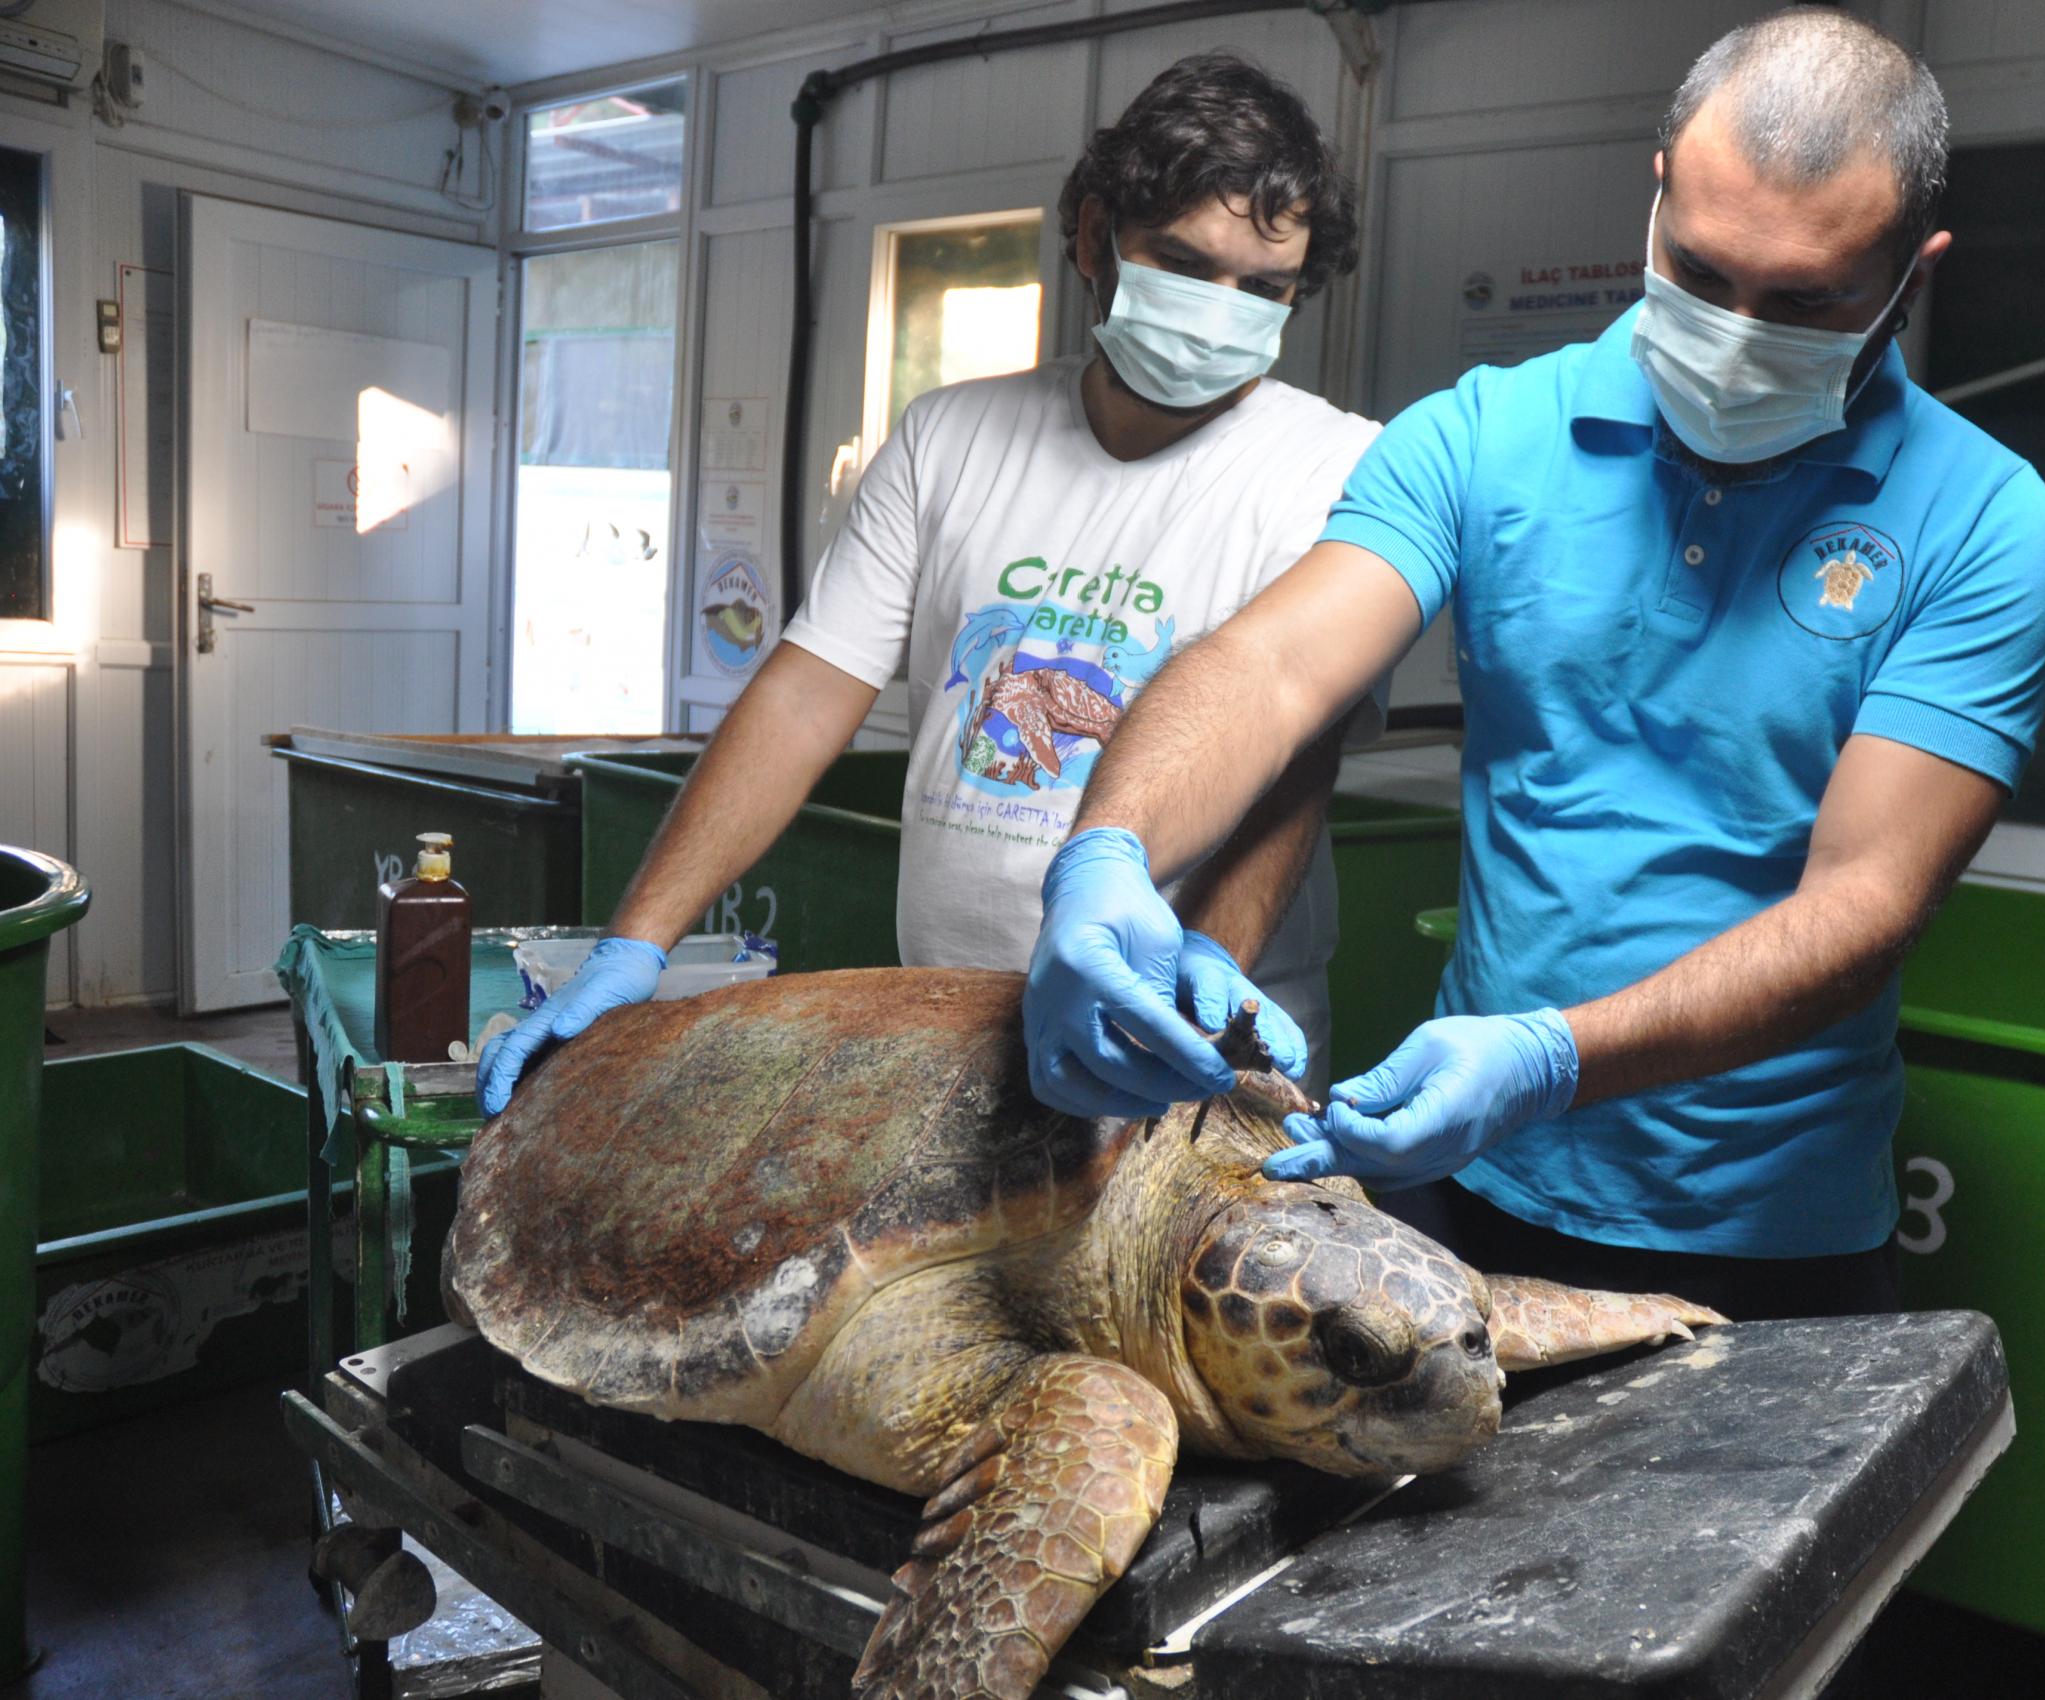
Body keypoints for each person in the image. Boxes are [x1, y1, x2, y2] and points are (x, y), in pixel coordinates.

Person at [1016, 9, 2045, 1322]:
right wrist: (1107, 853)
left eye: (1806, 302)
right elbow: (1274, 667)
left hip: (1767, 1224)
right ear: (1658, 199)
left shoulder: (1984, 520)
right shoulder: (1486, 434)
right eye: (1699, 272)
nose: (1738, 333)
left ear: (1915, 270)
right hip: (1464, 1185)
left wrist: (1553, 1057)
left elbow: (1864, 899)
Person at [480, 53, 1380, 1116]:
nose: (1223, 311)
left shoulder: (1341, 466)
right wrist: (635, 943)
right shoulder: (950, 434)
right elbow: (805, 693)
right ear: (1095, 237)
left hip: (1193, 1044)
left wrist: (1191, 986)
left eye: (1265, 290)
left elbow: (1293, 765)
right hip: (949, 1026)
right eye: (1186, 267)